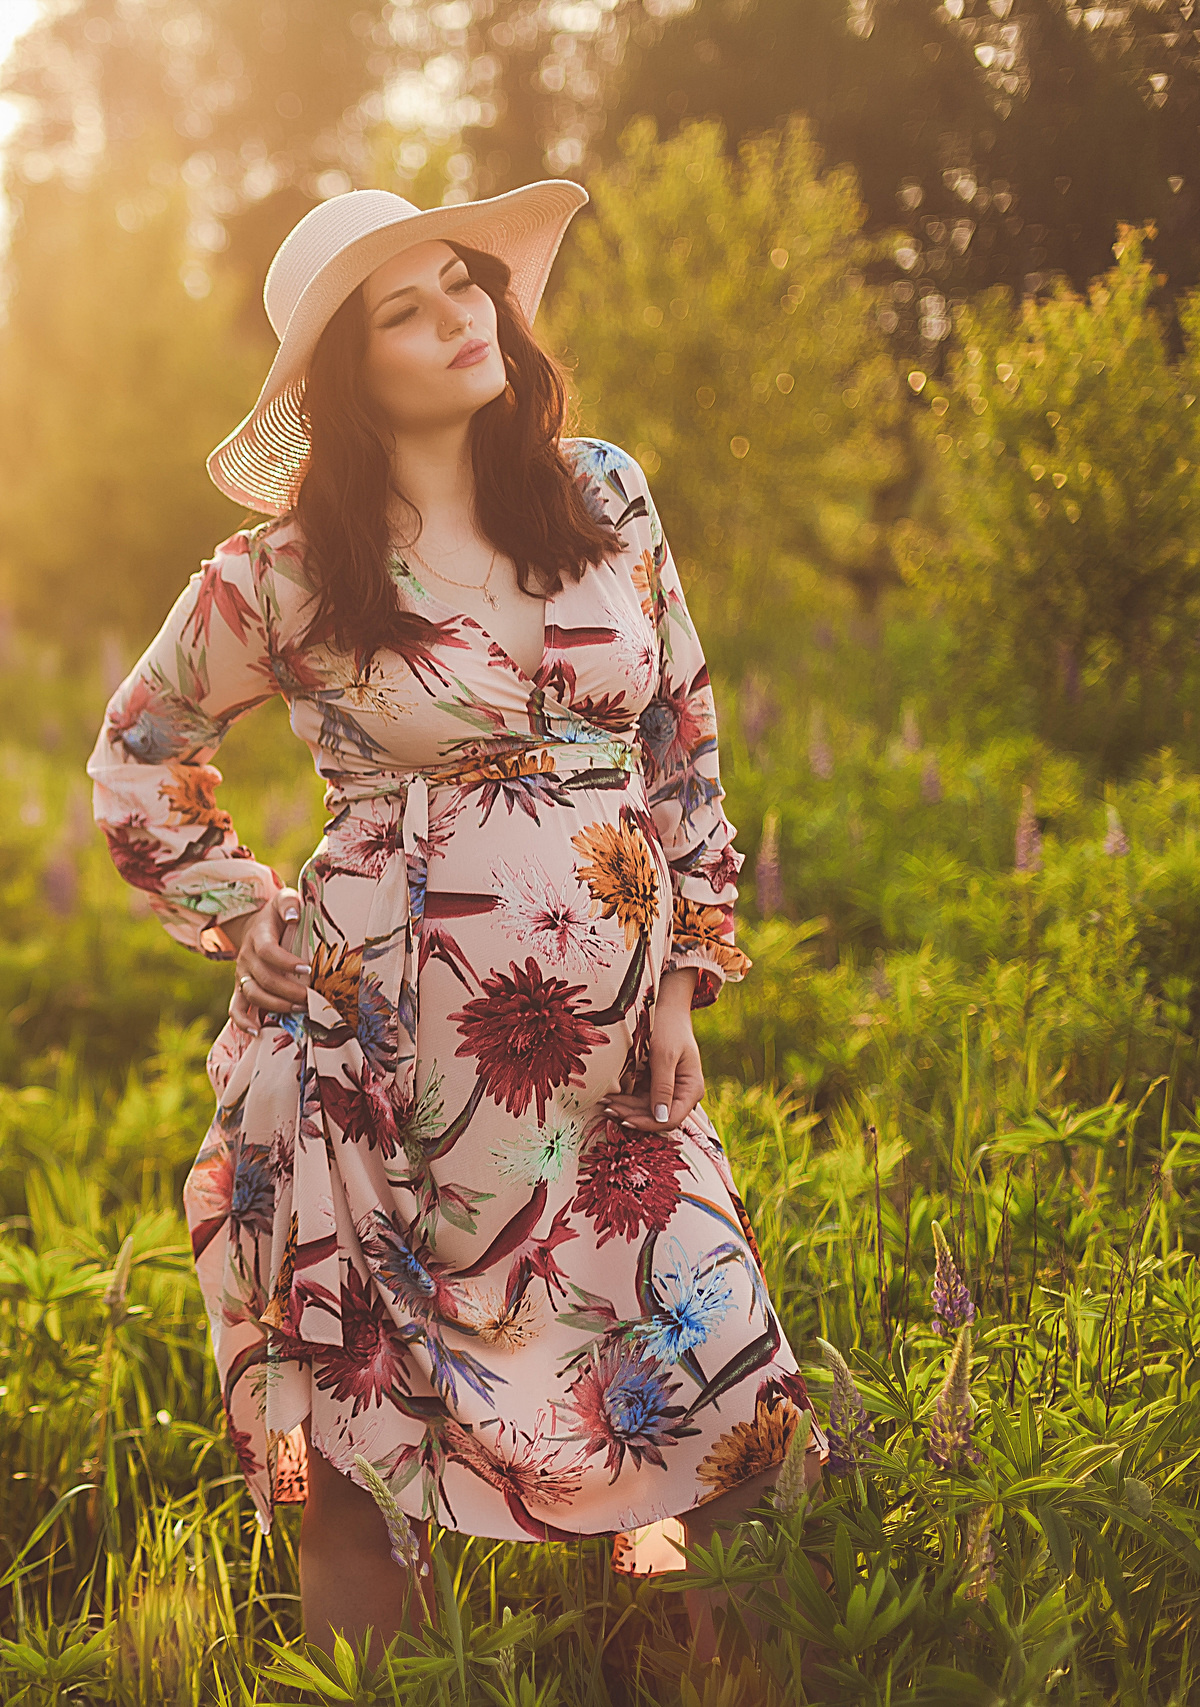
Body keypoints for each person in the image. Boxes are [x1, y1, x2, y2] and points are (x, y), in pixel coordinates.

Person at [85, 181, 826, 1676]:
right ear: (345, 376)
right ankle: (386, 1688)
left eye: (463, 285)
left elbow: (682, 739)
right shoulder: (282, 571)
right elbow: (137, 750)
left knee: (682, 1392)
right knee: (355, 1434)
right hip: (375, 1068)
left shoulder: (602, 491)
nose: (458, 321)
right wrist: (245, 913)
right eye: (404, 312)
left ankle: (694, 1673)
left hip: (612, 1074)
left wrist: (683, 976)